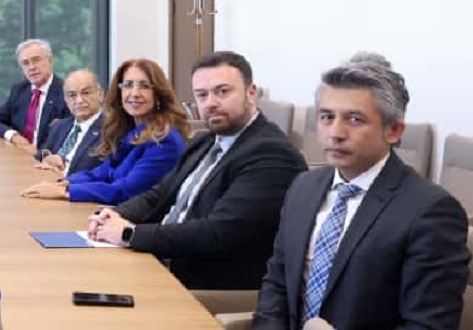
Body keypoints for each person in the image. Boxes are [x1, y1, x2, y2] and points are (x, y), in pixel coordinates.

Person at [251, 54, 468, 330]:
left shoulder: (431, 211)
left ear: (394, 130)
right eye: (327, 117)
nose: (335, 133)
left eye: (354, 119)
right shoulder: (304, 188)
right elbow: (277, 281)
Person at [86, 51, 307, 290]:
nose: (210, 103)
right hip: (165, 265)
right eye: (202, 95)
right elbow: (159, 195)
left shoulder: (271, 154)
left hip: (210, 288)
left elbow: (217, 233)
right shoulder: (206, 141)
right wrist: (111, 215)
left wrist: (130, 234)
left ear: (251, 93)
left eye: (222, 91)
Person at [23, 59, 188, 204]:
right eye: (128, 85)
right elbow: (106, 171)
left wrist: (65, 192)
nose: (134, 93)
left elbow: (126, 191)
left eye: (144, 86)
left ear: (158, 94)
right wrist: (64, 182)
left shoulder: (164, 140)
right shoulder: (132, 131)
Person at [0, 39, 71, 154]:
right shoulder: (20, 89)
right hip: (17, 155)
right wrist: (14, 136)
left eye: (36, 60)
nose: (31, 67)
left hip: (46, 160)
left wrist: (38, 154)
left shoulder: (66, 93)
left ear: (50, 61)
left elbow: (68, 140)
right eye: (25, 63)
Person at [32, 69, 106, 176]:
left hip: (76, 185)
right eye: (72, 95)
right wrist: (47, 159)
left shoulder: (110, 130)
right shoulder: (59, 126)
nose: (79, 100)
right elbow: (39, 156)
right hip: (47, 181)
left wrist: (64, 176)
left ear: (100, 95)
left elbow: (104, 175)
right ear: (66, 100)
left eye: (86, 93)